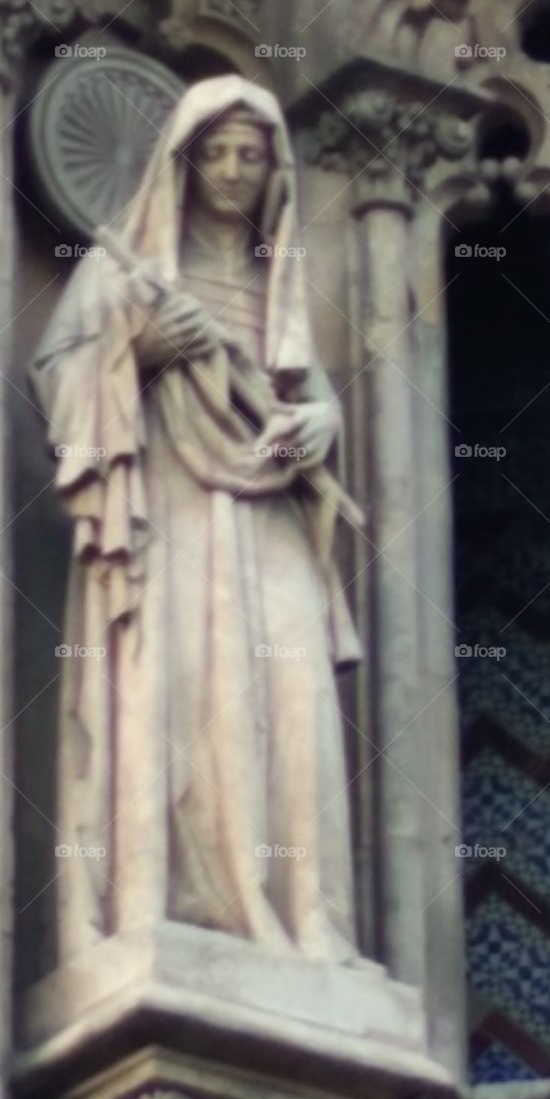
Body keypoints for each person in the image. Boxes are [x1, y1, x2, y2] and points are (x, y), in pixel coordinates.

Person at [30, 75, 365, 965]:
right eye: (213, 152)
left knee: (296, 705)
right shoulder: (121, 273)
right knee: (176, 691)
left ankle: (305, 918)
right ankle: (173, 905)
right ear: (182, 161)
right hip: (169, 512)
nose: (229, 171)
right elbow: (61, 383)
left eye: (250, 156)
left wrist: (318, 423)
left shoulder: (276, 283)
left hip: (273, 520)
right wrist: (138, 356)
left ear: (275, 173)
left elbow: (309, 394)